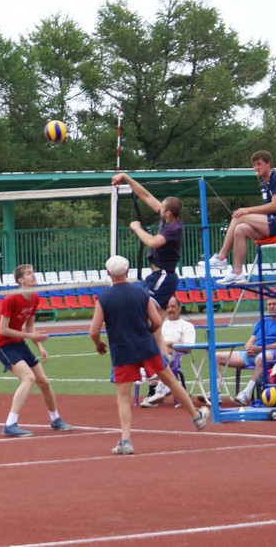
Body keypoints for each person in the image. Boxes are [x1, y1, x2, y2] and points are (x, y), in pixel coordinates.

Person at [89, 255, 209, 455]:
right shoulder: (141, 293)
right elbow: (156, 321)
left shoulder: (104, 298)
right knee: (170, 380)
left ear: (108, 273)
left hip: (122, 350)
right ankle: (196, 416)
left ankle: (126, 440)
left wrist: (99, 343)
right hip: (146, 345)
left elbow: (94, 331)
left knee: (123, 397)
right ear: (127, 272)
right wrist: (147, 331)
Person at [0, 264, 71, 437]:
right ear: (20, 280)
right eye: (29, 274)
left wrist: (40, 346)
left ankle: (55, 419)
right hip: (3, 345)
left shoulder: (35, 298)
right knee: (28, 378)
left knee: (43, 381)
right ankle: (10, 423)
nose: (33, 276)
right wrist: (32, 337)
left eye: (33, 273)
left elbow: (30, 327)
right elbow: (3, 330)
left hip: (19, 342)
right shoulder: (11, 299)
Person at [205, 150, 276, 285]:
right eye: (254, 165)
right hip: (273, 222)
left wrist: (247, 210)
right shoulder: (265, 183)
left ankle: (221, 257)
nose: (256, 168)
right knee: (240, 229)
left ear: (268, 163)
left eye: (259, 164)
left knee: (239, 216)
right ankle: (237, 273)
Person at [111, 172, 184, 309]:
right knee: (155, 321)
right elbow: (146, 196)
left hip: (164, 276)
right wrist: (125, 177)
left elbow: (152, 242)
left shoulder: (174, 228)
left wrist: (137, 228)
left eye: (162, 206)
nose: (159, 207)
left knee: (145, 312)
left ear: (168, 212)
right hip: (158, 276)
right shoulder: (166, 218)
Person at [216, 296, 276, 405]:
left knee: (262, 357)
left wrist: (260, 348)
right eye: (269, 304)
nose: (271, 307)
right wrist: (248, 347)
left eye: (274, 304)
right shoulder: (262, 321)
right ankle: (216, 391)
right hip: (253, 352)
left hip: (270, 352)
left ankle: (246, 392)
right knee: (215, 356)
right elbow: (251, 340)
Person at [139, 296, 197, 407]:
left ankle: (155, 392)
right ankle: (154, 391)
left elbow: (189, 347)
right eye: (168, 307)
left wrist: (171, 344)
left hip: (173, 357)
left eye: (173, 306)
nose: (170, 309)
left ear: (179, 308)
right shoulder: (160, 324)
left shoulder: (187, 326)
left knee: (159, 357)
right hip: (157, 354)